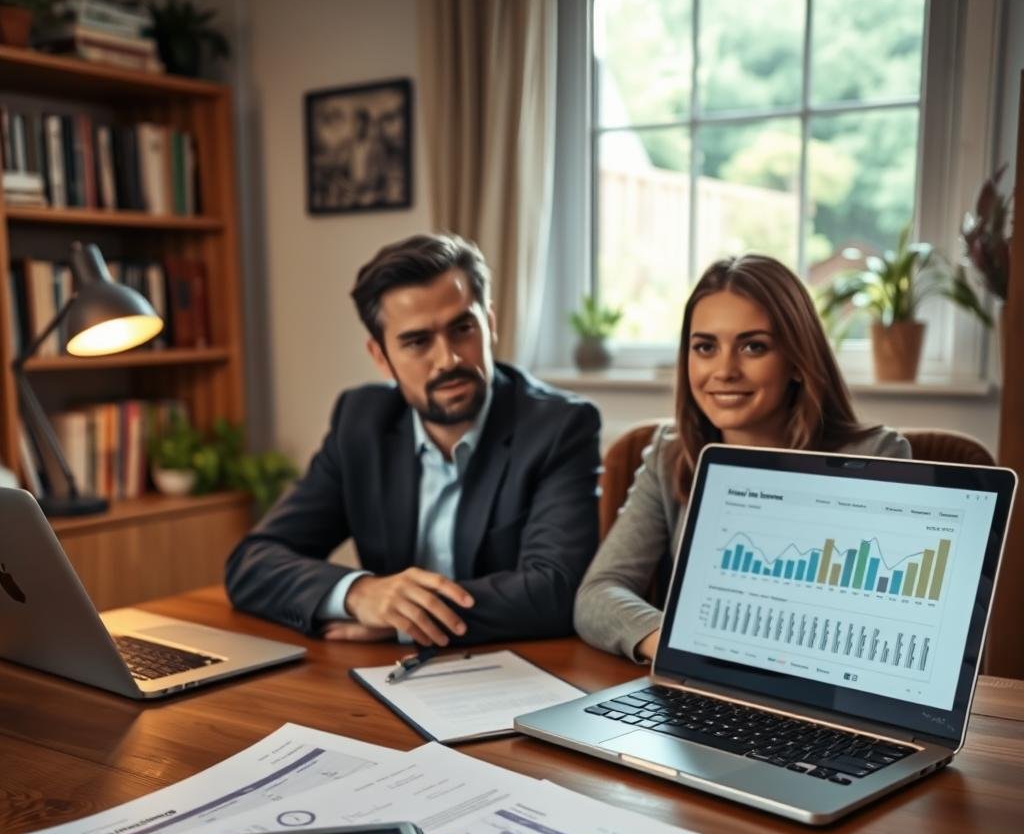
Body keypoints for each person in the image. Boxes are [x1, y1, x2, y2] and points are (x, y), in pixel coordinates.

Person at [226, 233, 601, 646]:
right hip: (389, 677)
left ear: (489, 324)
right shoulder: (361, 422)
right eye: (417, 341)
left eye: (462, 328)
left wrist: (407, 619)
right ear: (380, 357)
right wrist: (358, 593)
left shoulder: (559, 427)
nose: (449, 359)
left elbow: (555, 590)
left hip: (526, 675)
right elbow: (252, 563)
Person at [574, 253, 911, 662]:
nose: (724, 370)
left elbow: (883, 624)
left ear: (798, 362)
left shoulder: (874, 456)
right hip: (705, 693)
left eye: (753, 346)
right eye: (705, 347)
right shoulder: (671, 454)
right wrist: (679, 645)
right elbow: (598, 593)